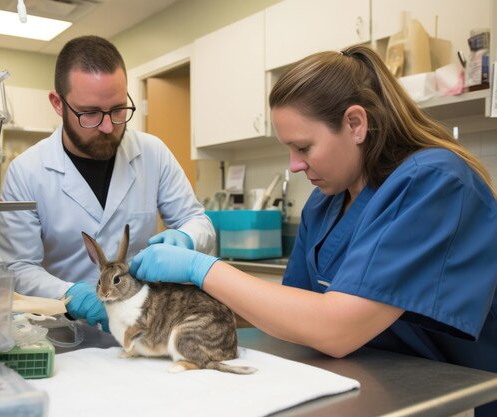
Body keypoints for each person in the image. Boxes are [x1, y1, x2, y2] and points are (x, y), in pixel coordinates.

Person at [130, 45, 497, 416]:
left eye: (303, 147)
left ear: (355, 124)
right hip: (369, 387)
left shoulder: (434, 183)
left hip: (458, 397)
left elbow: (337, 329)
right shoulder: (324, 204)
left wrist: (201, 269)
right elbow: (292, 319)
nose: (293, 165)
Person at [0, 36, 215, 332]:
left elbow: (196, 221)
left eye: (118, 109)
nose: (108, 126)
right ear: (58, 104)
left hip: (141, 327)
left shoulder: (153, 152)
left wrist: (186, 238)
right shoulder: (27, 171)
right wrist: (69, 294)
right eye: (90, 113)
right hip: (62, 329)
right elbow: (18, 268)